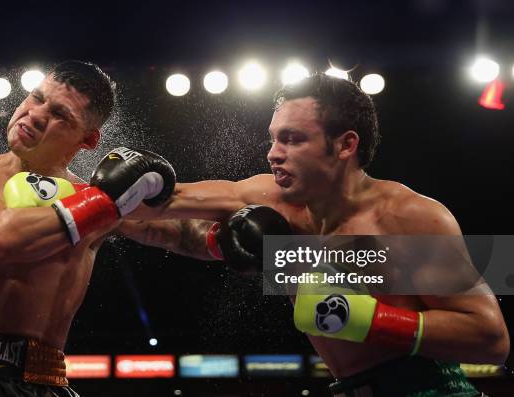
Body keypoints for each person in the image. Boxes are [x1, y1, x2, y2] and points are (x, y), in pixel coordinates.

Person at [120, 73, 510, 396]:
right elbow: (153, 202)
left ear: (345, 144)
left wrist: (363, 318)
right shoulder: (270, 199)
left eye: (292, 139)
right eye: (273, 138)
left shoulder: (408, 218)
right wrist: (78, 195)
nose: (273, 153)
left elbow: (491, 339)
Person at [0, 60, 176, 396]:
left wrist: (262, 250)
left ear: (89, 139)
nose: (34, 114)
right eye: (35, 97)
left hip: (44, 381)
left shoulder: (100, 200)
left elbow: (192, 231)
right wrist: (104, 204)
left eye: (60, 114)